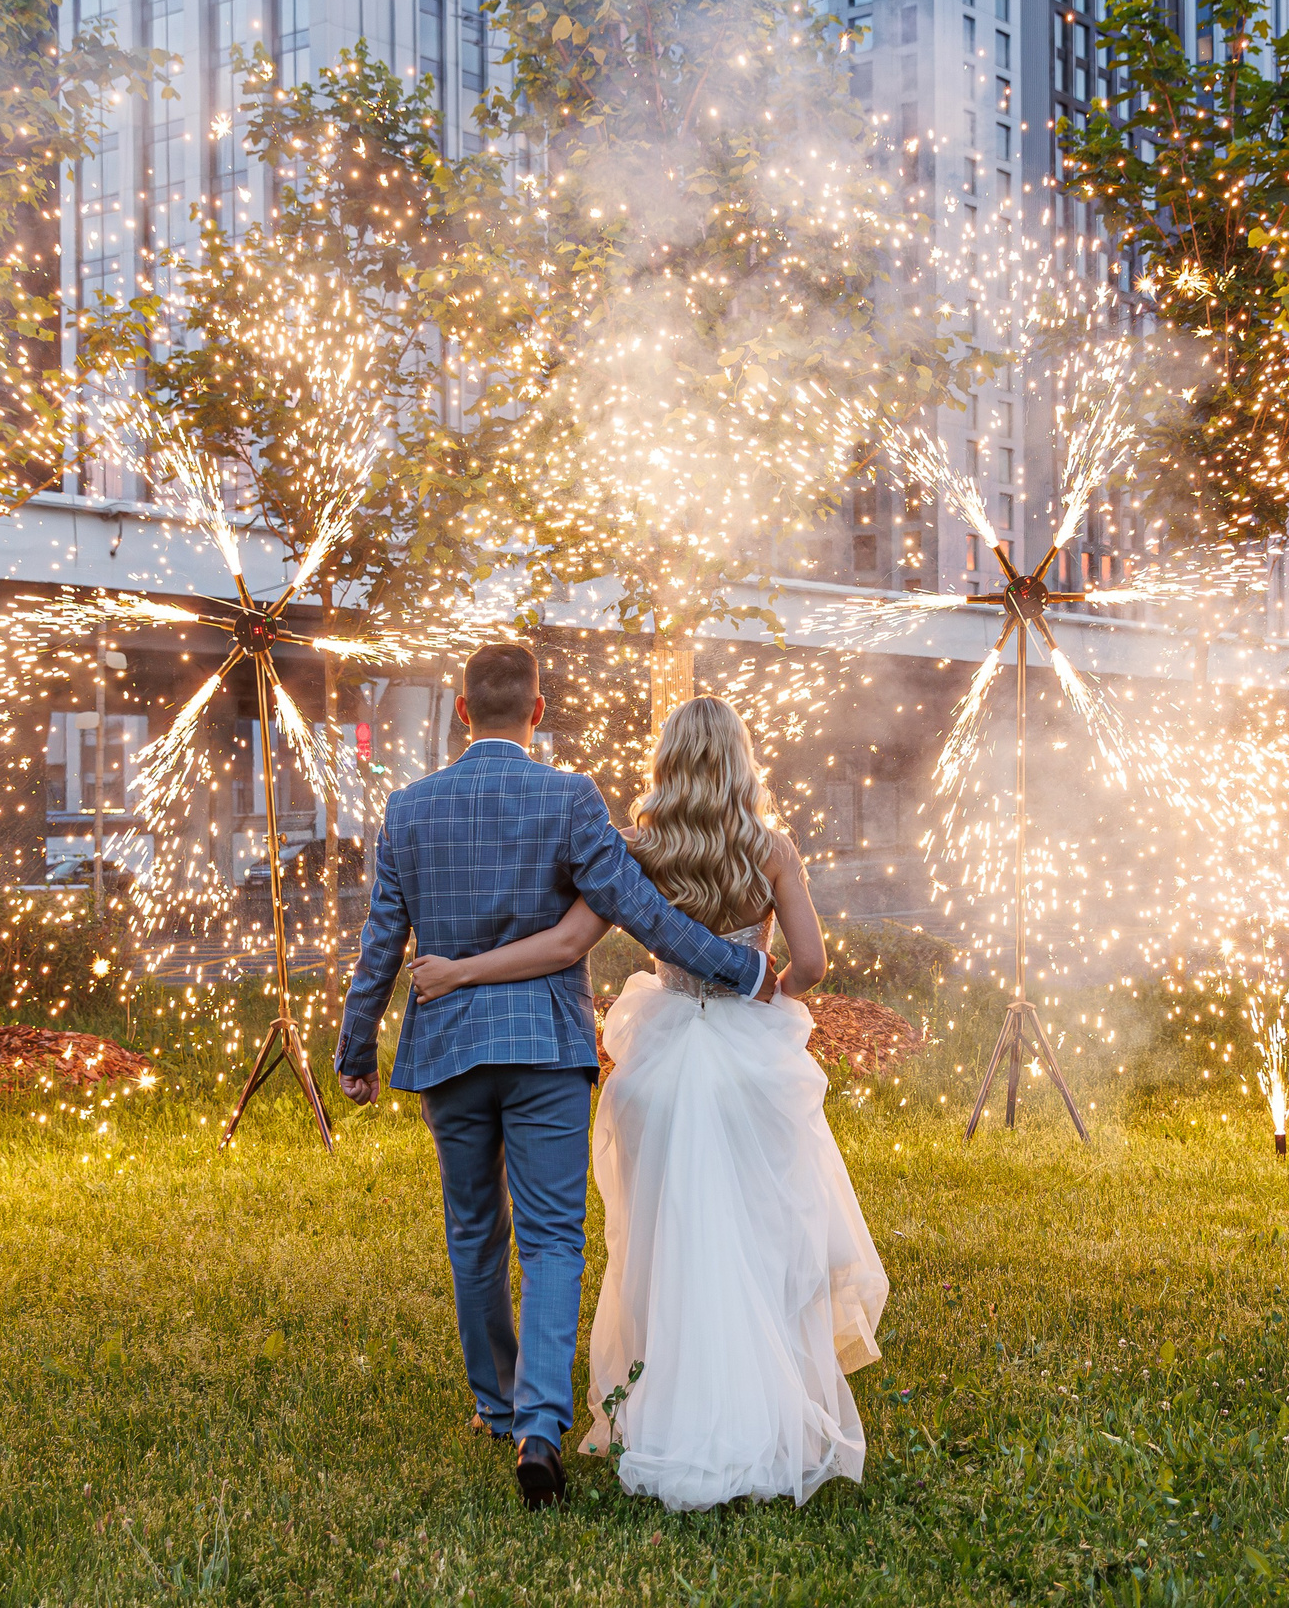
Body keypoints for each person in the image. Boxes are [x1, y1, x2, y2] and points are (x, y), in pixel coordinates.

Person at [410, 696, 888, 1513]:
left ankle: (660, 1393)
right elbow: (808, 960)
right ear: (740, 761)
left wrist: (455, 970)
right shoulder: (771, 851)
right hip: (747, 1054)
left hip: (663, 1058)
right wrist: (770, 988)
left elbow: (565, 944)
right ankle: (764, 1390)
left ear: (666, 762)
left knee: (661, 1235)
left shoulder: (638, 850)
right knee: (764, 1229)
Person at [333, 644, 779, 1511]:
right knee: (551, 1238)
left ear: (463, 712)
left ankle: (494, 1404)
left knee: (474, 1232)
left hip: (449, 1054)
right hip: (545, 1050)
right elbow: (639, 911)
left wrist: (356, 1050)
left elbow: (379, 941)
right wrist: (740, 969)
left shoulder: (408, 808)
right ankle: (541, 1426)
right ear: (537, 710)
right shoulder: (570, 797)